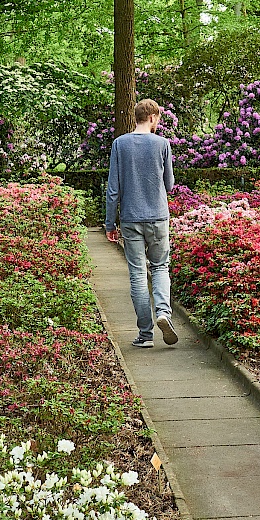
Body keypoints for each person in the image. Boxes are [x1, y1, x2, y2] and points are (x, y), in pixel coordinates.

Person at [105, 99, 179, 348]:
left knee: (137, 274)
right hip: (158, 217)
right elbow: (169, 185)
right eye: (158, 118)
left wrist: (109, 224)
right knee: (160, 267)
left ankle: (145, 335)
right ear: (152, 117)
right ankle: (163, 313)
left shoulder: (119, 144)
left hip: (130, 218)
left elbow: (112, 189)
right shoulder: (162, 144)